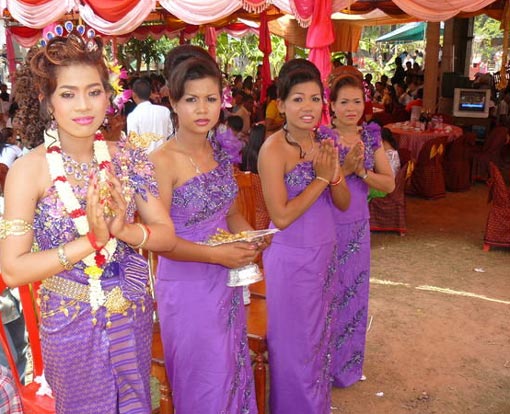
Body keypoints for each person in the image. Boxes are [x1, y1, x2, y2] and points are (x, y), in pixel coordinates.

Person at [0, 26, 177, 413]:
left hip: (131, 310)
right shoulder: (28, 172)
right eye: (68, 94)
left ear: (109, 95)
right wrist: (92, 240)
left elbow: (166, 235)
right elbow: (12, 270)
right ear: (47, 100)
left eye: (94, 91)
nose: (83, 106)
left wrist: (124, 230)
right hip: (68, 323)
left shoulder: (129, 158)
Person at [150, 45, 260, 413]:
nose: (202, 109)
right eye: (191, 99)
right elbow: (159, 242)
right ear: (174, 103)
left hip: (226, 280)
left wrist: (250, 239)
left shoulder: (219, 150)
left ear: (221, 102)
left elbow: (231, 215)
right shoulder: (160, 162)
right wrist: (217, 255)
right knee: (203, 379)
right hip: (185, 286)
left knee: (230, 368)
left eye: (210, 99)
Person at [258, 59, 350, 413]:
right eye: (298, 99)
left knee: (318, 339)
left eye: (315, 99)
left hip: (325, 252)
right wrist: (321, 179)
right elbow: (280, 216)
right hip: (291, 259)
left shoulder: (326, 141)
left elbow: (341, 203)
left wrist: (335, 175)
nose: (308, 108)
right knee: (294, 344)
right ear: (281, 105)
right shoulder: (272, 150)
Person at [329, 73, 395, 388]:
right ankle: (321, 365)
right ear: (332, 106)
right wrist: (343, 169)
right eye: (344, 102)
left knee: (353, 296)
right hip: (326, 227)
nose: (351, 108)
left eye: (357, 101)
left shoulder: (370, 137)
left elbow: (389, 183)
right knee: (326, 297)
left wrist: (362, 171)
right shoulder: (321, 139)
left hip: (357, 230)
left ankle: (348, 366)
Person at [127, 77, 173, 152]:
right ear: (150, 94)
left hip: (144, 160)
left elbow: (133, 143)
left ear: (134, 95)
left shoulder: (133, 116)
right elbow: (170, 133)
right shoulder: (165, 111)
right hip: (163, 156)